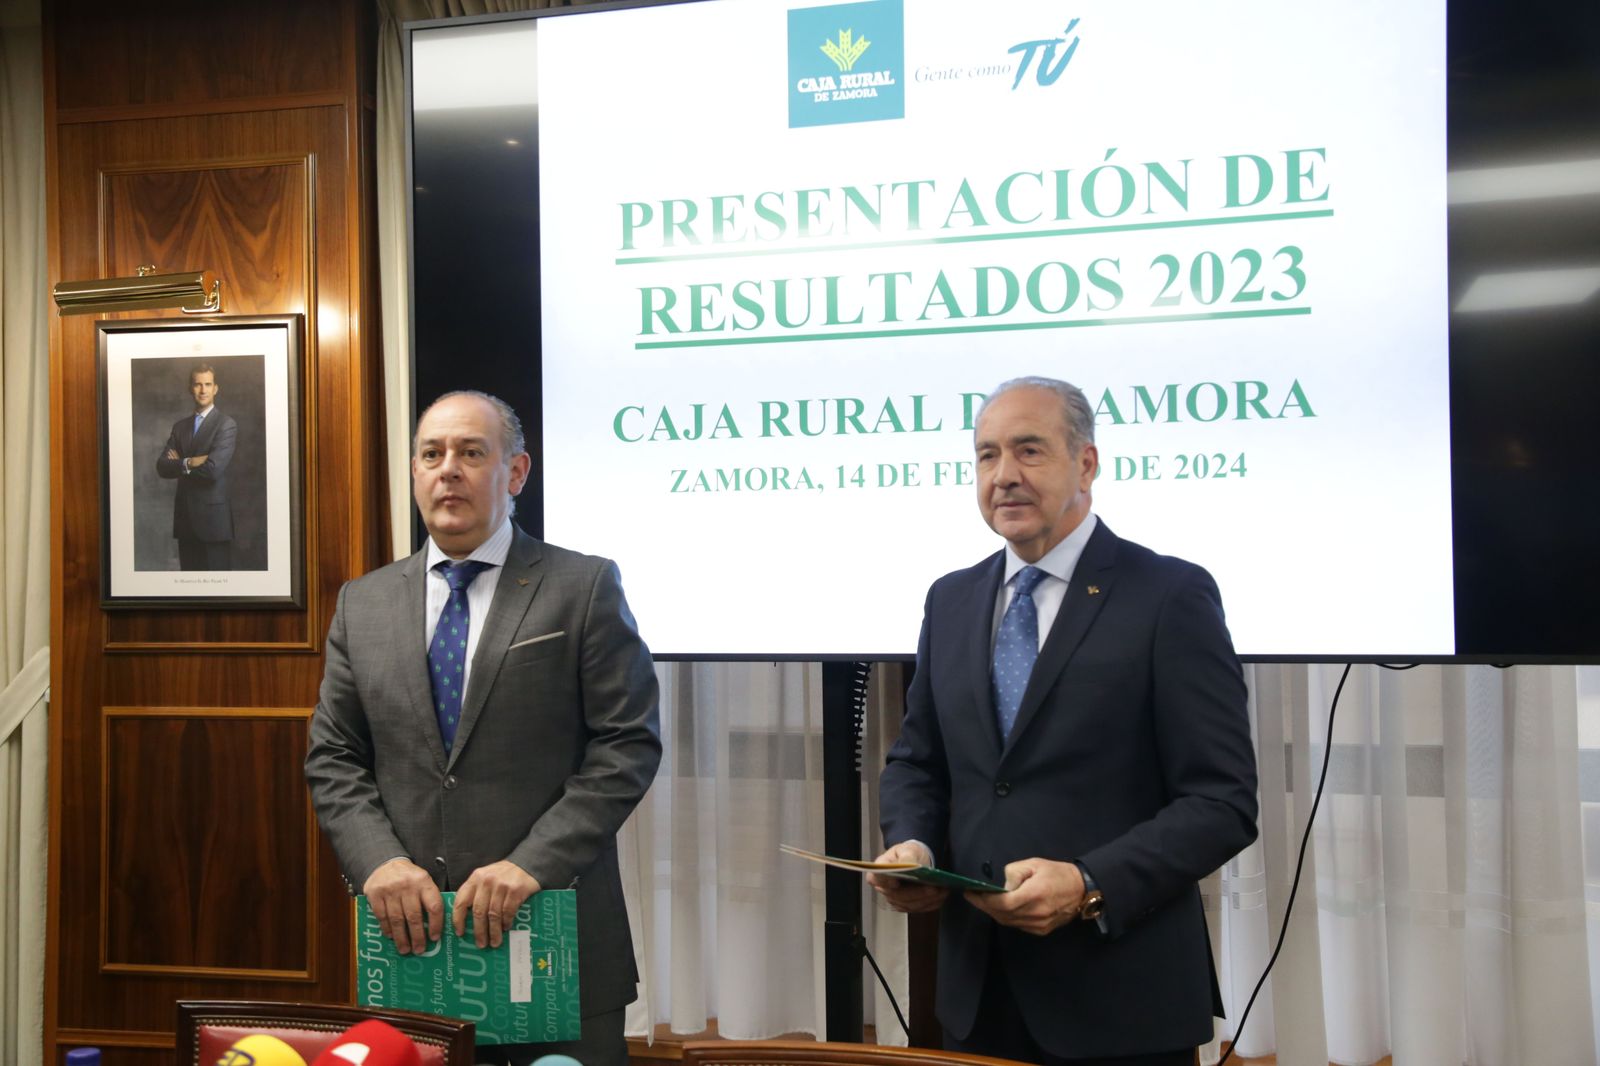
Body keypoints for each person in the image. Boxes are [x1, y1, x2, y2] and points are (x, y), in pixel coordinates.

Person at [870, 376, 1258, 1066]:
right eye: (987, 456)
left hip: (1120, 1001)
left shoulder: (1169, 595)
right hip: (976, 998)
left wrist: (1088, 881)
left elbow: (1222, 802)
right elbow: (919, 763)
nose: (1004, 476)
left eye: (1029, 451)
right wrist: (914, 846)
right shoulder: (951, 598)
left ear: (1086, 463)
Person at [305, 390, 661, 1066]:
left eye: (472, 452)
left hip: (555, 946)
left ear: (515, 472)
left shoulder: (581, 587)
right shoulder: (363, 602)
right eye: (432, 454)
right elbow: (334, 756)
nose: (449, 470)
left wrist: (532, 865)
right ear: (413, 473)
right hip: (413, 953)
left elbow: (628, 744)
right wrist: (377, 860)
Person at [154, 363, 236, 569]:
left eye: (207, 384)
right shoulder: (180, 427)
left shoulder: (226, 424)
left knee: (218, 591)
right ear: (191, 388)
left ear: (215, 388)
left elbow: (212, 470)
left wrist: (179, 464)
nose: (203, 390)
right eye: (198, 384)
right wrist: (189, 462)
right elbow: (162, 467)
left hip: (213, 523)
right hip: (185, 521)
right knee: (189, 592)